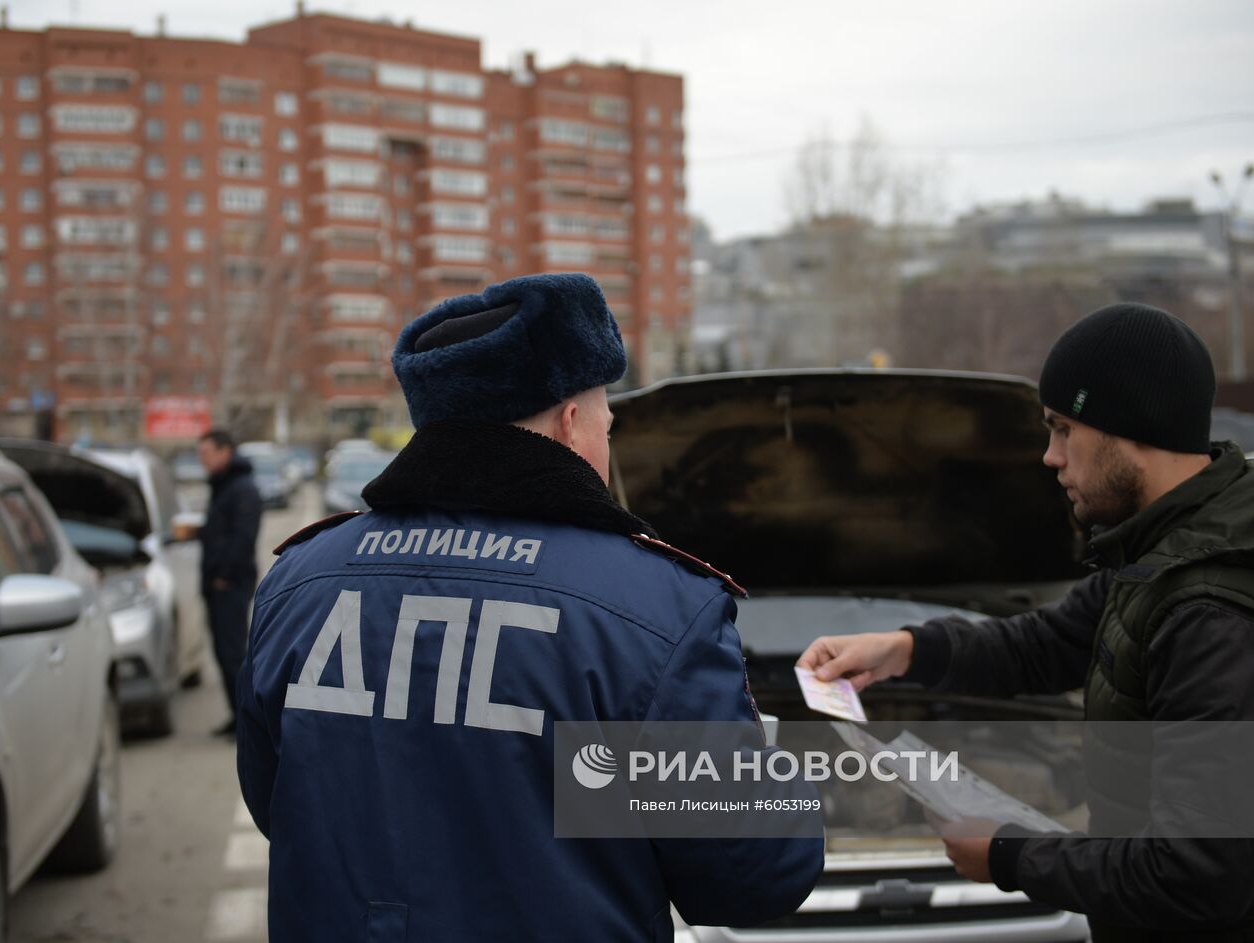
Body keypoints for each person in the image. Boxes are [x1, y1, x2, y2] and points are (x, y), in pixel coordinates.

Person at [236, 273, 824, 942]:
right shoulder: (656, 609)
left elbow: (277, 803)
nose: (608, 438)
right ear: (572, 421)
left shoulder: (298, 581)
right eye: (608, 419)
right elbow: (751, 876)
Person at [798, 302, 1254, 941]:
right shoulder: (1163, 549)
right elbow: (1051, 642)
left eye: (1063, 428)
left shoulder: (1209, 611)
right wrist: (904, 649)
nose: (1049, 456)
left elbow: (1198, 874)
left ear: (1129, 426)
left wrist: (1009, 855)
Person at [197, 427, 262, 737]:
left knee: (234, 652)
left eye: (207, 454)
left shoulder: (242, 488)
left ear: (226, 452)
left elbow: (243, 537)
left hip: (230, 584)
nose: (202, 461)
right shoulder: (222, 485)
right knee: (223, 653)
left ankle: (247, 721)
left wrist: (224, 576)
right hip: (215, 583)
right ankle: (236, 715)